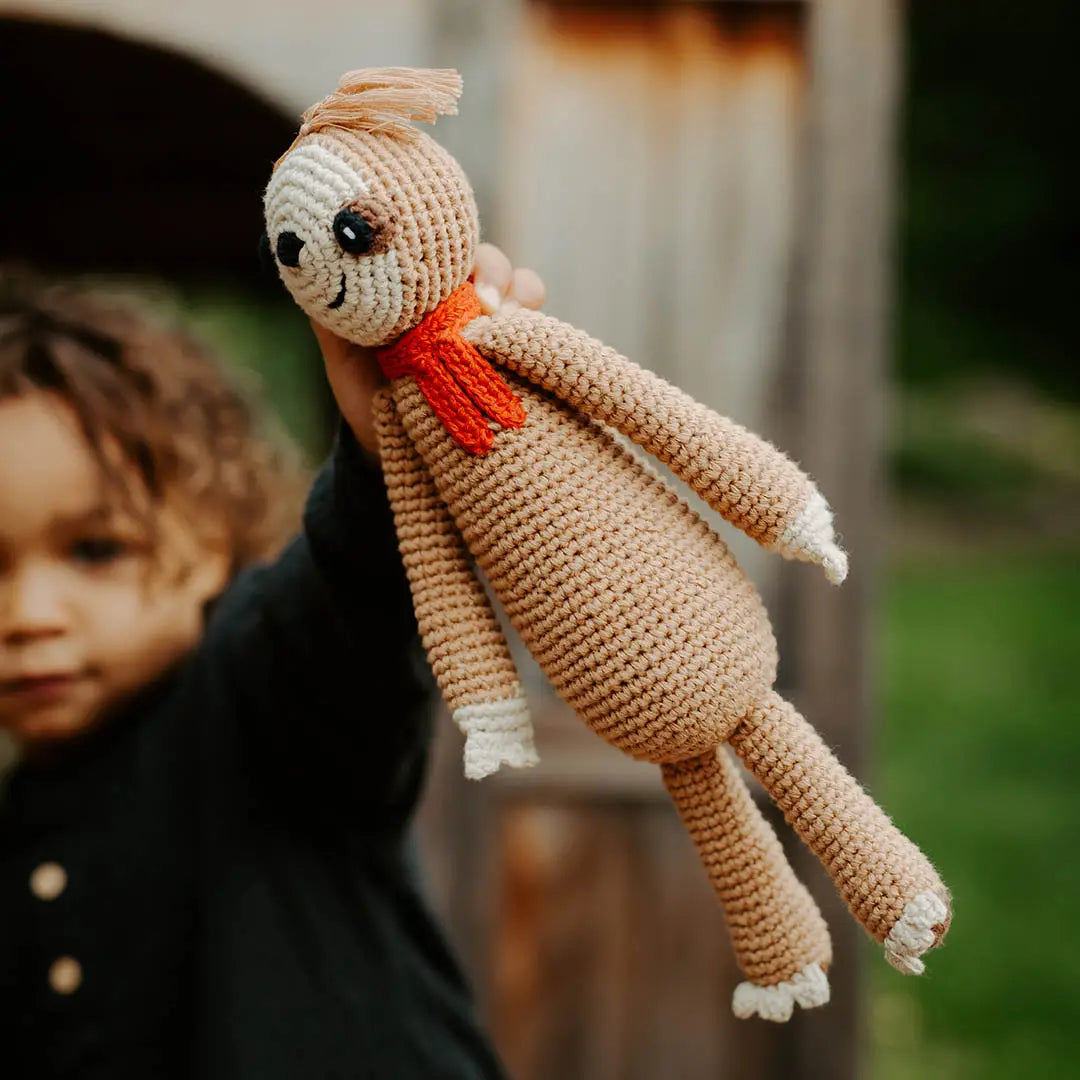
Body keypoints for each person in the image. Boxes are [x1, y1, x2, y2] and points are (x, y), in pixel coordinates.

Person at [0, 247, 545, 1079]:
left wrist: (387, 449)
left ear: (215, 538)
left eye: (97, 550)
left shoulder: (256, 694)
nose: (28, 617)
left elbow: (347, 605)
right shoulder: (26, 812)